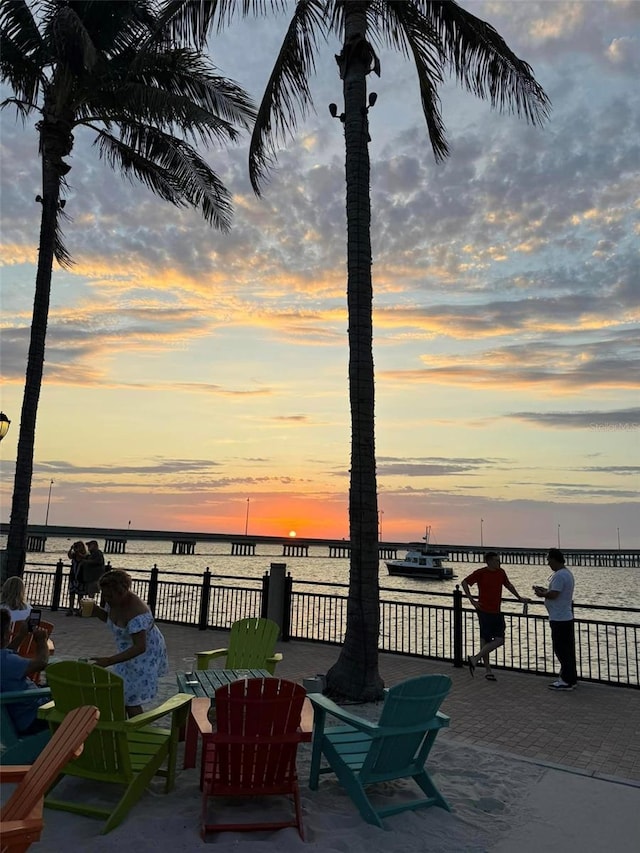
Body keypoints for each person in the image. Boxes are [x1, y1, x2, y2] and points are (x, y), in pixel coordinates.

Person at [83, 569, 169, 717]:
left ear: (122, 592)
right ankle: (121, 726)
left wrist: (109, 660)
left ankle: (135, 730)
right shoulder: (115, 601)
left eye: (109, 595)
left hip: (144, 652)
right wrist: (96, 611)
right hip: (127, 648)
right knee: (120, 692)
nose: (106, 598)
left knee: (131, 697)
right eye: (103, 594)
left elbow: (140, 647)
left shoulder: (136, 613)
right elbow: (114, 621)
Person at [462, 551, 529, 681]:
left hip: (496, 611)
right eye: (497, 560)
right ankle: (488, 670)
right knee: (485, 640)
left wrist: (519, 597)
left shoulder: (501, 572)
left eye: (499, 560)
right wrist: (472, 600)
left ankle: (475, 658)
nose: (499, 562)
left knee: (500, 639)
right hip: (484, 611)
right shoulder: (481, 572)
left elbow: (508, 585)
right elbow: (465, 583)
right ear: (489, 561)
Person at [533, 548, 577, 690]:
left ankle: (565, 681)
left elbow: (554, 594)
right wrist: (545, 590)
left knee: (561, 650)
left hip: (559, 618)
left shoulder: (559, 575)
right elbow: (555, 592)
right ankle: (571, 678)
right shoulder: (567, 573)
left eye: (548, 560)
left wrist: (541, 594)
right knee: (567, 650)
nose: (548, 563)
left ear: (554, 559)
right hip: (565, 617)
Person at [0, 607, 50, 734]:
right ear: (5, 635)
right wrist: (42, 641)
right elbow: (41, 663)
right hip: (33, 717)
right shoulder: (6, 661)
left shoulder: (5, 659)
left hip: (12, 718)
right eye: (8, 630)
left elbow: (6, 655)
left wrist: (22, 635)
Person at [66, 540, 88, 615]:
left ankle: (80, 609)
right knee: (71, 594)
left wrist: (78, 552)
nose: (77, 548)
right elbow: (69, 556)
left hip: (81, 578)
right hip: (73, 577)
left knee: (80, 595)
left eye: (78, 546)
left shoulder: (85, 555)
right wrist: (71, 549)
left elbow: (84, 557)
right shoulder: (74, 555)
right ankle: (70, 609)